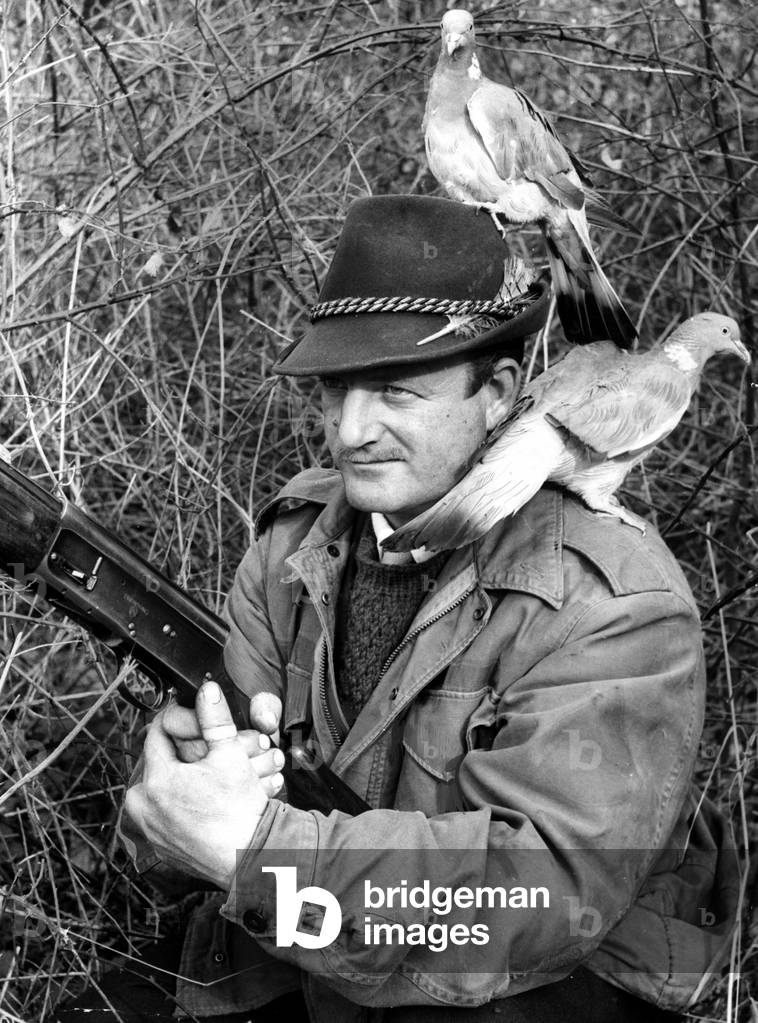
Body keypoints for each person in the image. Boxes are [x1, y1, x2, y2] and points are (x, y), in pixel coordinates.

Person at [56, 197, 739, 1023]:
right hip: (298, 962)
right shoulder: (293, 543)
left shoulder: (615, 600)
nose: (351, 431)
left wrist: (258, 852)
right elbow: (200, 823)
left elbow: (541, 900)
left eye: (396, 392)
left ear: (499, 391)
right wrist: (175, 805)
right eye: (336, 389)